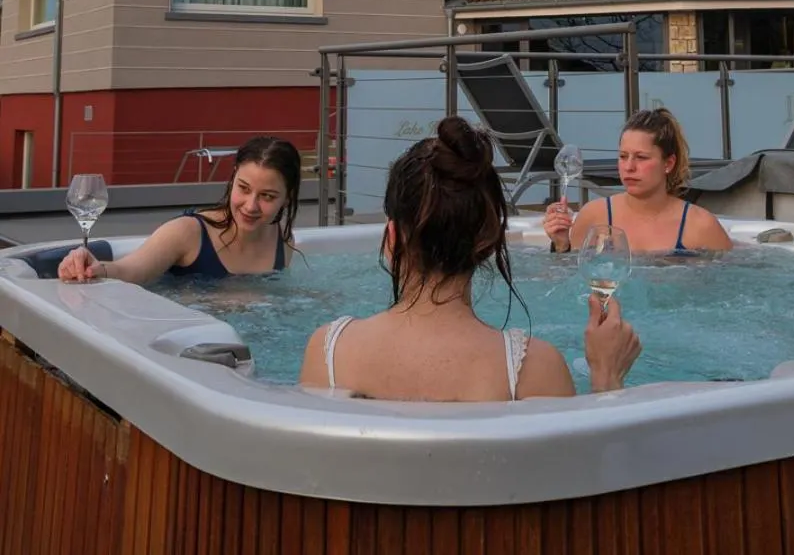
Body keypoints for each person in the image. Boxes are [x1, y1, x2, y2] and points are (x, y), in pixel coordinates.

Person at [300, 117, 641, 400]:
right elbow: (586, 474)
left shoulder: (327, 352)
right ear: (489, 243)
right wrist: (606, 380)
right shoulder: (534, 370)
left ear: (391, 240)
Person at [57, 135, 302, 283]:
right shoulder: (187, 233)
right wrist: (95, 267)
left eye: (267, 196)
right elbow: (133, 271)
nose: (251, 206)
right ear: (233, 178)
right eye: (244, 188)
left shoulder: (282, 240)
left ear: (287, 198)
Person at [544, 108, 732, 255]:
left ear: (668, 163)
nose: (629, 167)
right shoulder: (594, 216)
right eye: (623, 156)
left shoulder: (700, 226)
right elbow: (569, 286)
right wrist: (561, 244)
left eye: (641, 157)